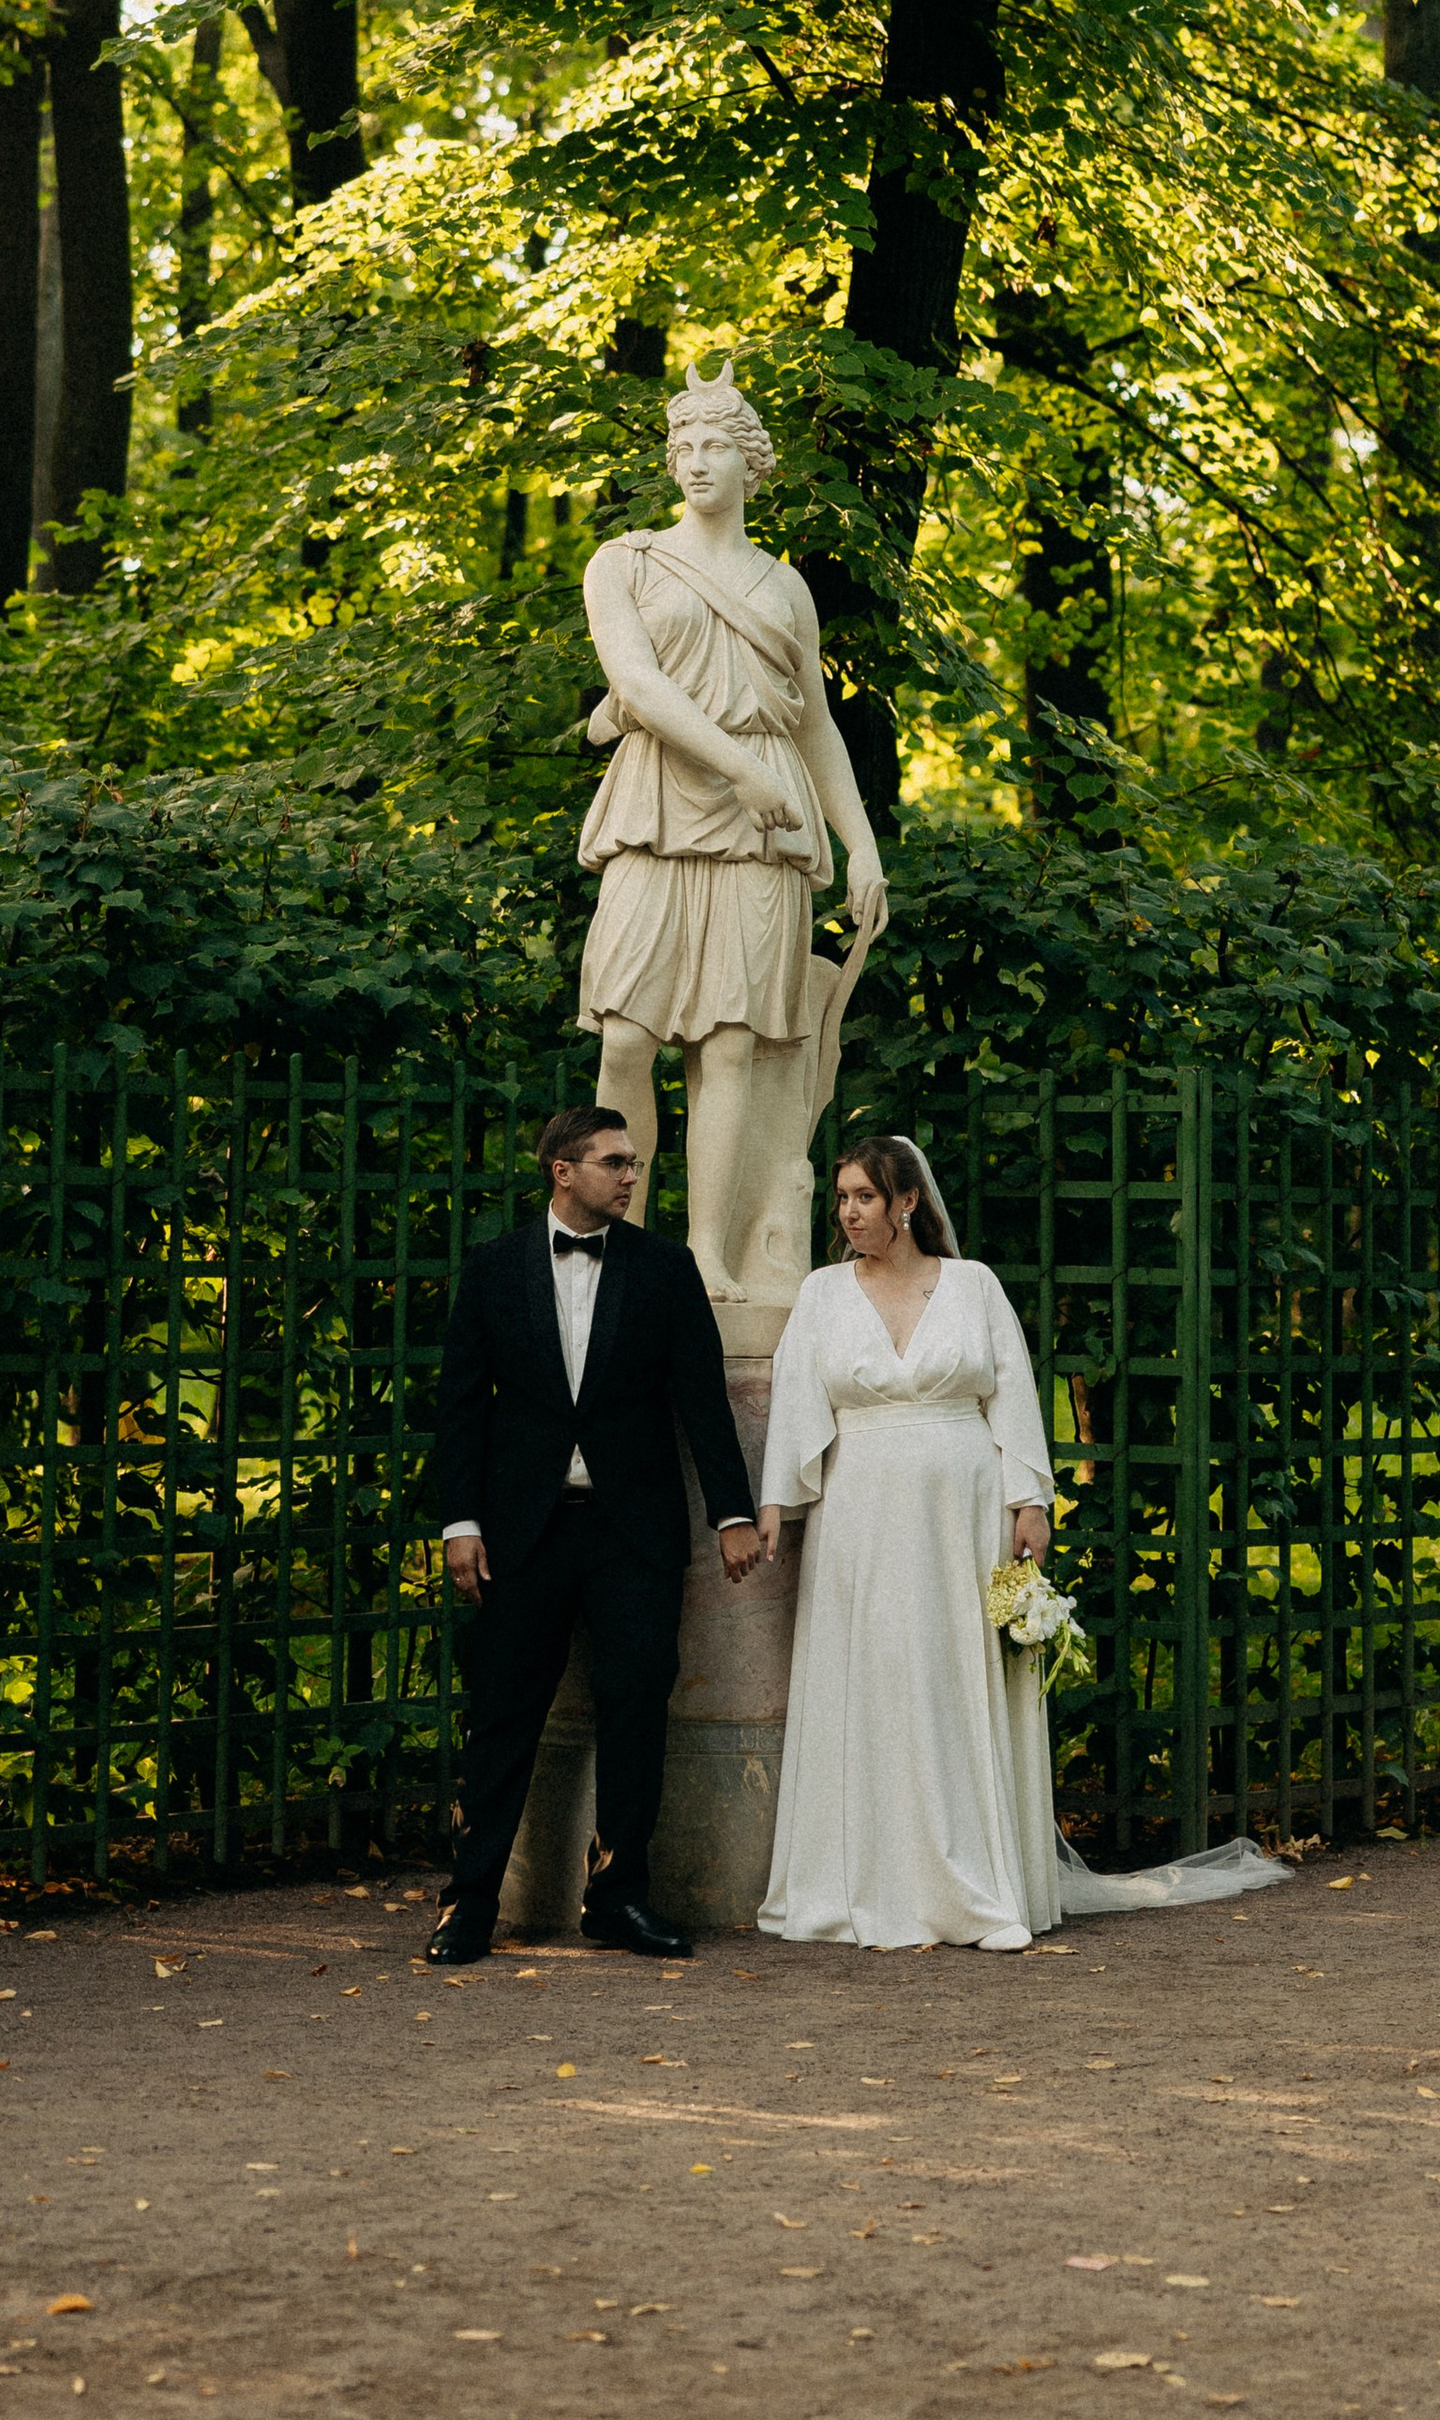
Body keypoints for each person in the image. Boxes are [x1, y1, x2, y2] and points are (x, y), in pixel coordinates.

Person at [757, 1135, 1288, 1950]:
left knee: (951, 1672)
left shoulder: (971, 1286)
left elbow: (1011, 1393)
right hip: (860, 1510)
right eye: (841, 1198)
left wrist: (1029, 1501)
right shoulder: (824, 1293)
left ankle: (976, 1882)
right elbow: (797, 1400)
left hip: (961, 1509)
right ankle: (866, 1881)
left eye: (864, 1196)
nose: (849, 1212)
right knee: (878, 1672)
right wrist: (774, 1506)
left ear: (906, 1203)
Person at [577, 363, 887, 1302]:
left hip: (768, 831)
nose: (696, 462)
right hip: (661, 804)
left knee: (732, 1048)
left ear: (753, 466)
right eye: (683, 447)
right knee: (627, 1036)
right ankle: (620, 1241)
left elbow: (817, 726)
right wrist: (743, 771)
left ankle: (708, 1252)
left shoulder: (785, 587)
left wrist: (863, 843)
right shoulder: (625, 561)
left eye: (716, 446)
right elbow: (637, 687)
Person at [428, 1103, 764, 1965]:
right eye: (613, 1162)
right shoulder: (494, 1269)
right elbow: (462, 1409)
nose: (629, 1176)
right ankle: (469, 1903)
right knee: (502, 1716)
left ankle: (617, 1897)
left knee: (635, 1711)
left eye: (633, 1163)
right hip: (521, 1533)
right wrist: (460, 1522)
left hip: (634, 1534)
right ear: (562, 1171)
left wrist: (731, 1513)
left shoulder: (663, 1268)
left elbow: (701, 1400)